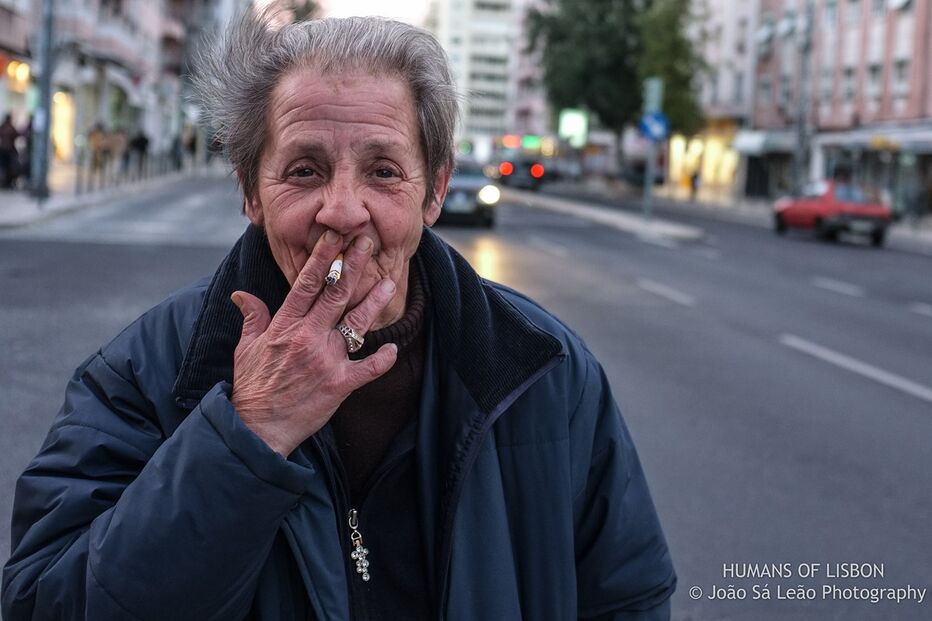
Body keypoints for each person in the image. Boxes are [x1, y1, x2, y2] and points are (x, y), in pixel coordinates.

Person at [1, 13, 675, 620]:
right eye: (303, 170)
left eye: (384, 171)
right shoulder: (143, 372)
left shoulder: (548, 373)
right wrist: (248, 436)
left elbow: (628, 596)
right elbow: (44, 601)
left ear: (434, 191)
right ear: (249, 191)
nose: (344, 210)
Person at [0, 113, 20, 189]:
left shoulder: (3, 126)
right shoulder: (10, 127)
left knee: (4, 166)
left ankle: (5, 181)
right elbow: (16, 134)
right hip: (9, 150)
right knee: (9, 166)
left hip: (3, 149)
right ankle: (7, 181)